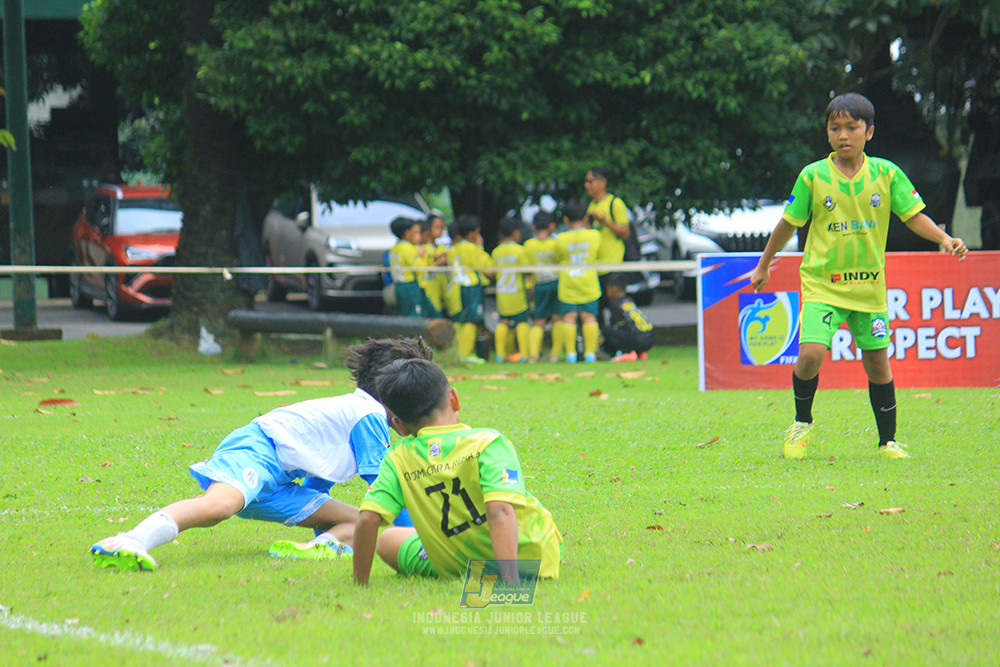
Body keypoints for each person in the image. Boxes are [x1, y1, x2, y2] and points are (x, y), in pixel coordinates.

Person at [89, 337, 433, 572]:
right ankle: (130, 540)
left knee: (356, 520)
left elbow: (319, 474)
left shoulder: (358, 411)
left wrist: (317, 518)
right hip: (257, 452)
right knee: (217, 507)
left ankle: (321, 549)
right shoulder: (368, 414)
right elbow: (383, 489)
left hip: (280, 482)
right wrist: (419, 545)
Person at [749, 92, 968, 460]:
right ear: (828, 133)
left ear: (869, 132)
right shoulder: (813, 176)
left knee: (878, 364)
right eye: (835, 128)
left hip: (869, 288)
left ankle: (888, 443)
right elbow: (788, 224)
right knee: (811, 355)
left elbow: (912, 215)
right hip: (822, 285)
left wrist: (945, 239)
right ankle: (801, 425)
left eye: (852, 127)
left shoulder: (886, 173)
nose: (843, 134)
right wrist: (764, 263)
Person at [352, 358, 562, 585]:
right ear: (454, 399)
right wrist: (510, 584)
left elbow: (368, 519)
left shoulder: (397, 458)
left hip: (461, 566)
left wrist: (359, 583)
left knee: (388, 539)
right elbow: (500, 511)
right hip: (531, 562)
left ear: (399, 425)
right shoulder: (488, 443)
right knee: (390, 539)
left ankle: (446, 557)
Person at [554, 199, 602, 363]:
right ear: (586, 218)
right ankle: (590, 354)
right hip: (589, 283)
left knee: (568, 318)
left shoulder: (560, 238)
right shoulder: (595, 235)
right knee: (589, 318)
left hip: (568, 283)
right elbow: (598, 253)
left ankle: (570, 354)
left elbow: (558, 257)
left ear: (566, 219)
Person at [584, 167, 631, 323]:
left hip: (613, 266)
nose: (587, 185)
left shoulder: (615, 203)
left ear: (602, 182)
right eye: (586, 182)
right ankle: (601, 342)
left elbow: (625, 232)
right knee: (597, 310)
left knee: (616, 310)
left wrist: (605, 222)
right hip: (596, 268)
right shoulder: (591, 206)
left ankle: (618, 343)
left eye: (590, 181)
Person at [448, 214, 493, 364]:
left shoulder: (453, 249)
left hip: (456, 287)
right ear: (472, 233)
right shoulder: (471, 248)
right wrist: (480, 247)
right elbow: (484, 267)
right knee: (472, 320)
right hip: (470, 286)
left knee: (459, 320)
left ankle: (458, 351)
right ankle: (466, 353)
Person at [523, 211, 562, 362]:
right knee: (557, 318)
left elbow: (526, 270)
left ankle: (533, 355)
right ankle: (555, 354)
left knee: (538, 320)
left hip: (539, 284)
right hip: (555, 282)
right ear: (552, 226)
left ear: (533, 226)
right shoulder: (556, 243)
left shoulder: (529, 245)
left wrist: (530, 285)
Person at [491, 217, 531, 363]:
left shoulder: (496, 252)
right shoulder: (520, 250)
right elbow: (527, 272)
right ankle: (524, 354)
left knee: (503, 322)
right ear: (515, 233)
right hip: (517, 293)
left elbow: (493, 273)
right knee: (522, 322)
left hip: (503, 293)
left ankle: (500, 355)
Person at [601, 272, 654, 362]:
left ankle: (627, 353)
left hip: (638, 340)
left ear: (613, 289)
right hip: (649, 338)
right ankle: (640, 353)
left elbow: (617, 326)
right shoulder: (629, 301)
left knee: (608, 330)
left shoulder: (615, 303)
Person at [388, 217, 429, 318]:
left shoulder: (394, 248)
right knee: (415, 314)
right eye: (415, 233)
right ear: (407, 233)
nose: (419, 236)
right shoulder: (408, 248)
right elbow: (418, 268)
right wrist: (422, 256)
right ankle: (415, 334)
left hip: (399, 285)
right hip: (410, 285)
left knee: (407, 313)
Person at [418, 212, 448, 318]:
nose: (440, 231)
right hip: (429, 288)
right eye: (436, 227)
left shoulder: (441, 247)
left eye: (442, 227)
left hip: (442, 287)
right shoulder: (424, 247)